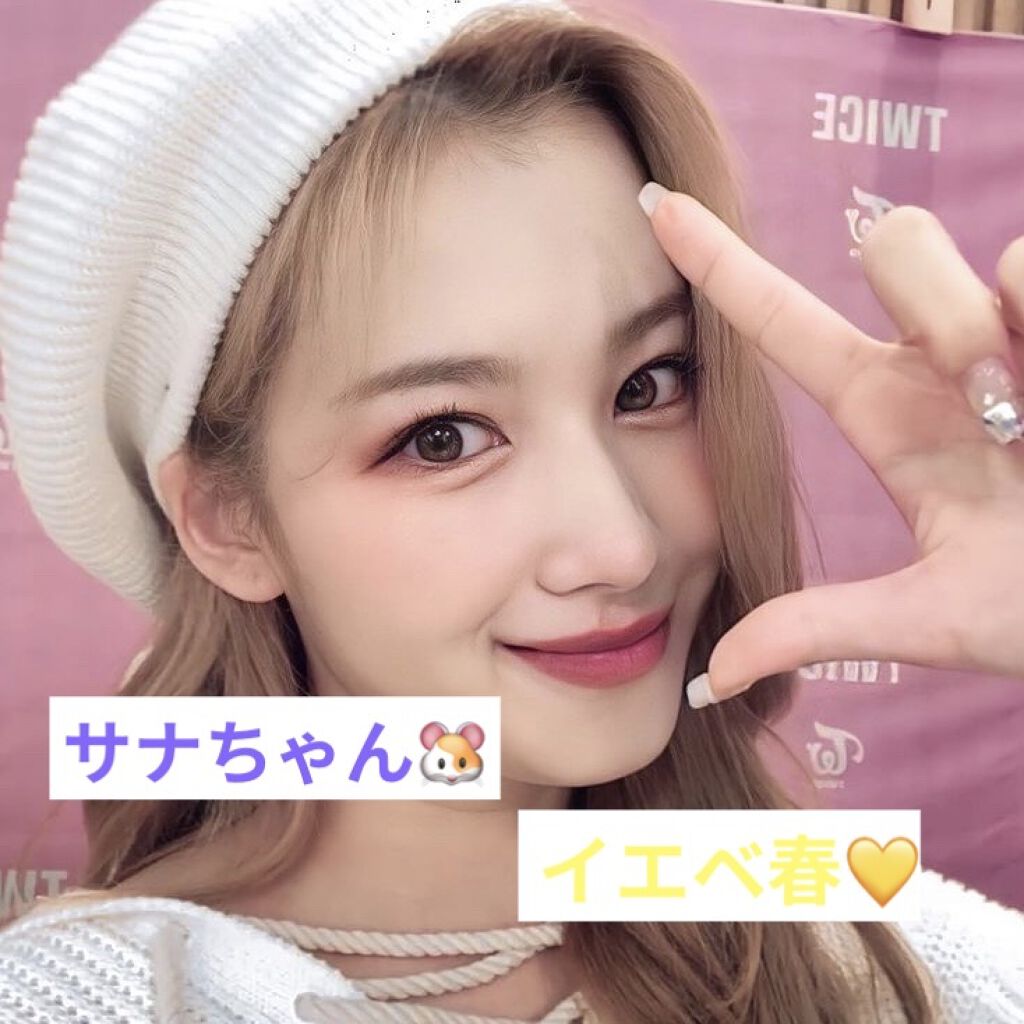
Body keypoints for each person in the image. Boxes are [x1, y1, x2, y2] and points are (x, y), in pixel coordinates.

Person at [0, 0, 1021, 1022]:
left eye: (650, 383)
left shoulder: (890, 955)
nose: (620, 545)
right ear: (229, 520)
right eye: (443, 437)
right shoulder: (90, 998)